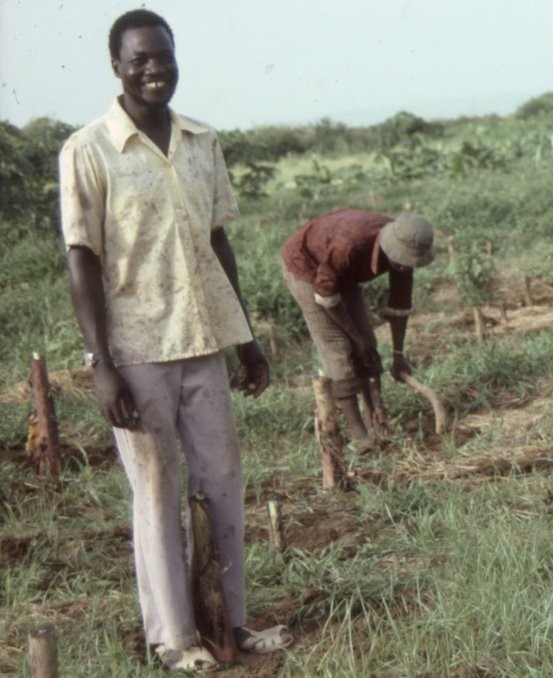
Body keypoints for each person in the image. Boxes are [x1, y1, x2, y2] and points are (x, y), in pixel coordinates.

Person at [59, 9, 292, 672]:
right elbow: (84, 259)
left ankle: (231, 624)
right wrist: (99, 365)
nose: (154, 70)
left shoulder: (201, 141)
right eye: (139, 60)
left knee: (222, 481)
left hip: (203, 343)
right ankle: (173, 639)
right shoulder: (89, 149)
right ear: (117, 66)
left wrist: (244, 336)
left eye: (163, 56)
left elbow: (218, 240)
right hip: (135, 353)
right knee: (157, 492)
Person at [280, 209, 436, 447]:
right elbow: (326, 292)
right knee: (339, 346)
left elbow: (399, 306)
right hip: (307, 267)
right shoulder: (350, 246)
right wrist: (355, 338)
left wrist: (397, 354)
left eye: (409, 262)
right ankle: (359, 435)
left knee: (368, 343)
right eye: (401, 261)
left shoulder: (404, 254)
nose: (404, 268)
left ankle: (375, 416)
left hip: (342, 272)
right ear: (388, 247)